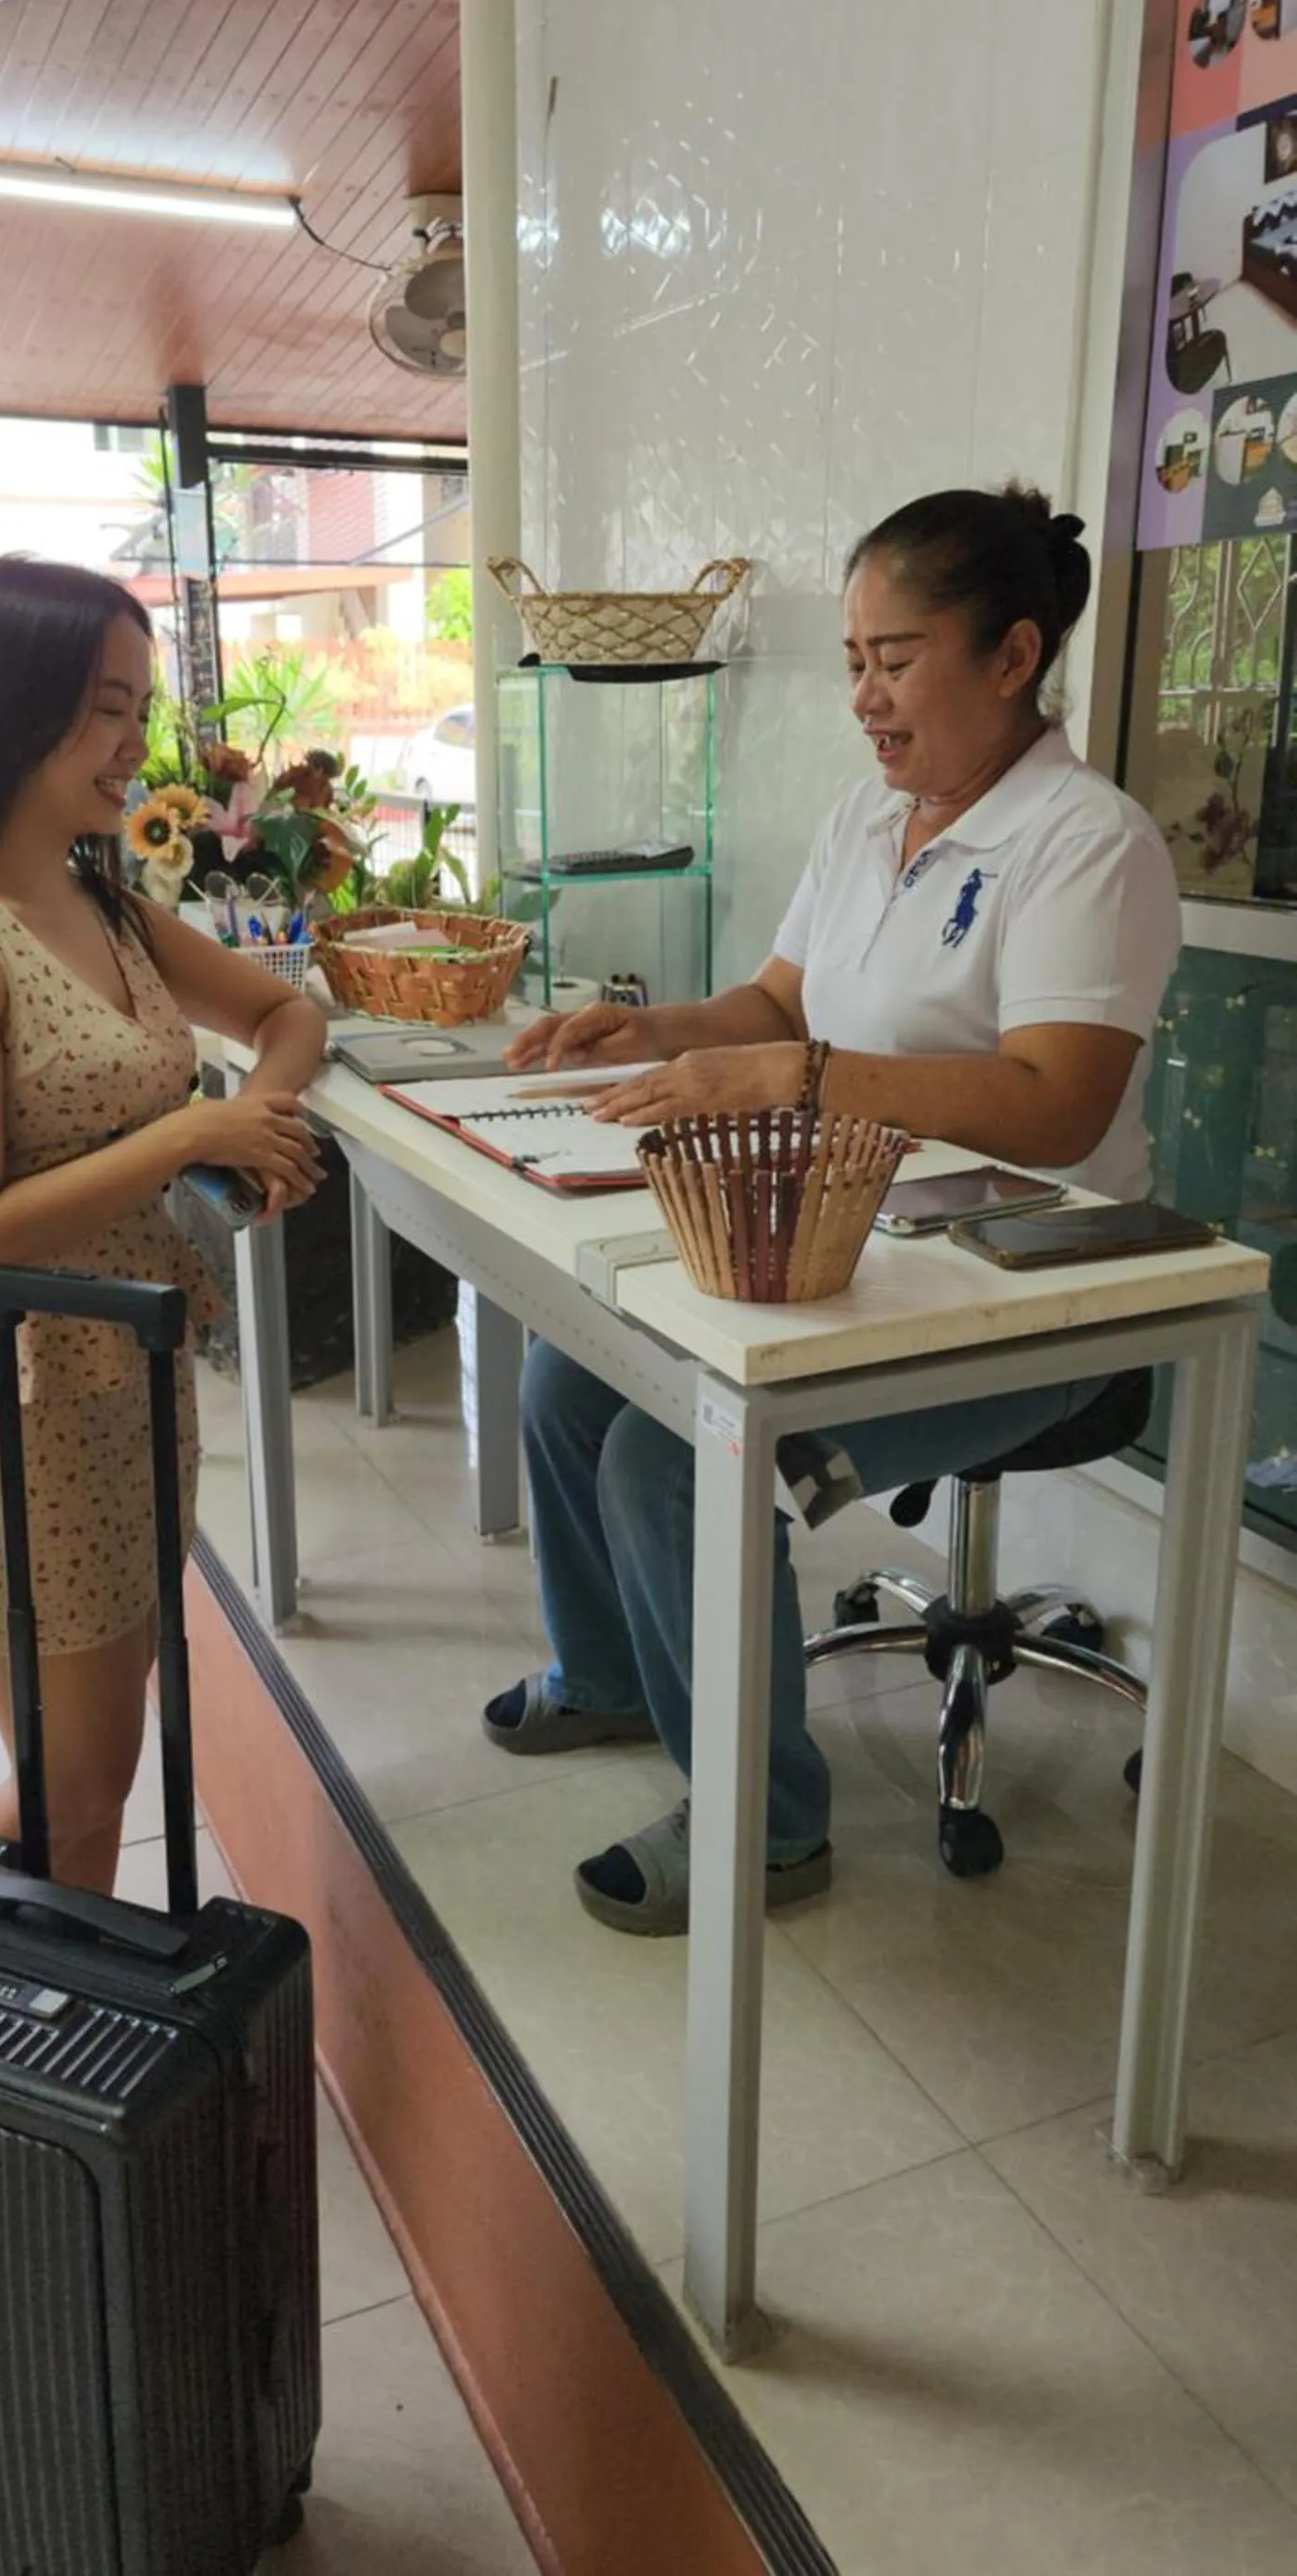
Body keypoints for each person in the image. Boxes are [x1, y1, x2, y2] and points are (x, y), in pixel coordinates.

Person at [484, 484, 1181, 1936]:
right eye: (851, 659)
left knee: (669, 1463)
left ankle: (765, 1828)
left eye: (895, 657)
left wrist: (796, 1076)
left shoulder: (1083, 841)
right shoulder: (873, 817)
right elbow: (776, 1003)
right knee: (568, 1370)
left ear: (1011, 655)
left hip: (1033, 1289)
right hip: (850, 1241)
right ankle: (606, 1677)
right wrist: (652, 1028)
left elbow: (1053, 1103)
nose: (864, 696)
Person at [0, 556, 328, 1895]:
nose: (139, 748)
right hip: (11, 1394)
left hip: (127, 1374)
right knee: (72, 1793)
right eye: (109, 710)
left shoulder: (107, 904)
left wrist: (252, 1145)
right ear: (14, 709)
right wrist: (186, 1135)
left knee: (91, 1775)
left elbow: (291, 1015)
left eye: (139, 710)